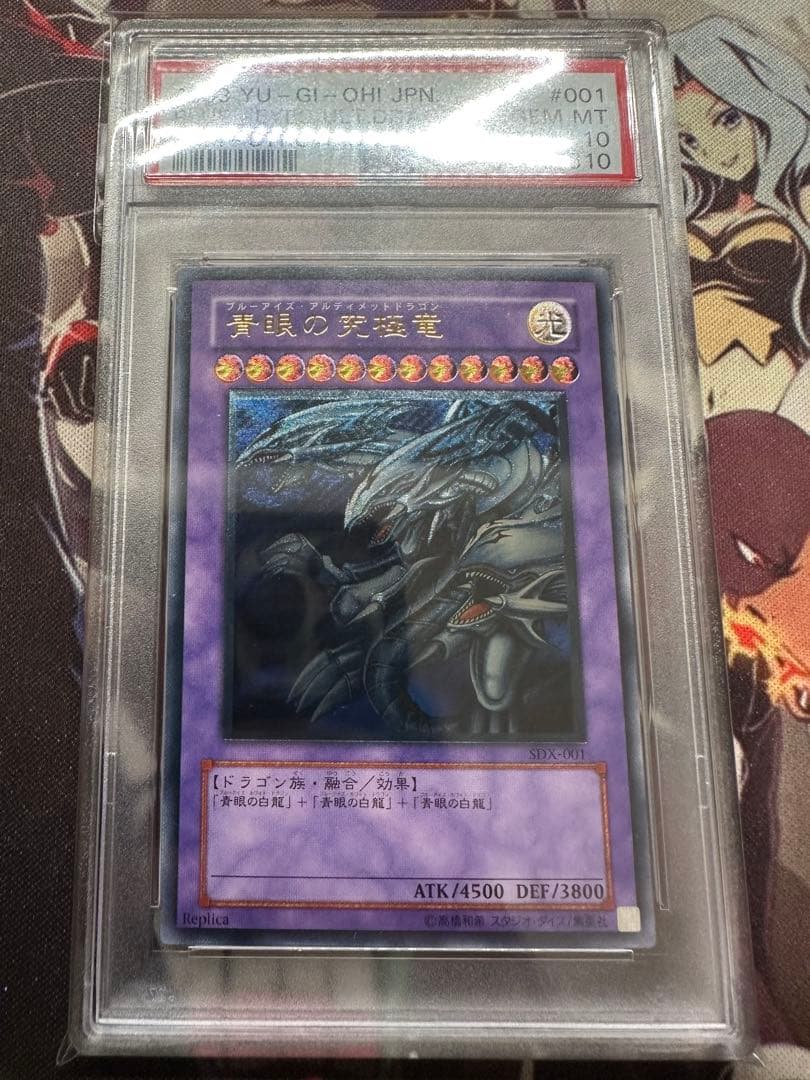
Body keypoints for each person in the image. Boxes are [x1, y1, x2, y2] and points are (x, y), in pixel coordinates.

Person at [671, 18, 810, 416]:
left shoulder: (801, 193)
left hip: (785, 411)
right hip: (686, 416)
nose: (713, 152)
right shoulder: (688, 207)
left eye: (728, 119)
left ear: (761, 102)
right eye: (688, 139)